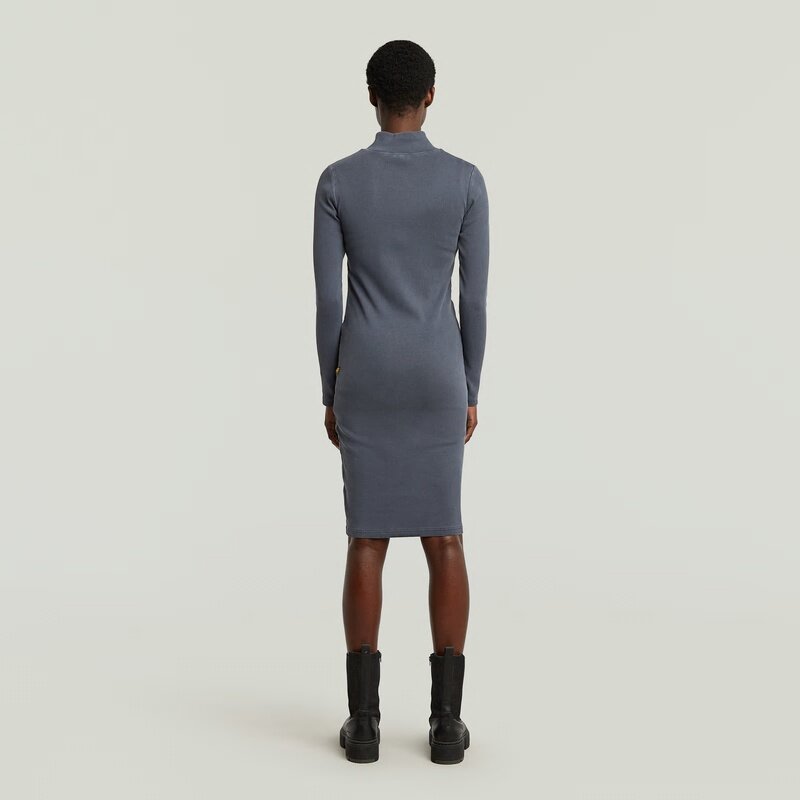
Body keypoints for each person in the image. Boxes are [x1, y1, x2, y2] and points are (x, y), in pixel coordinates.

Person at [313, 40, 490, 765]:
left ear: (371, 96)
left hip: (367, 374)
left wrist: (331, 388)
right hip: (437, 375)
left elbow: (328, 302)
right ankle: (446, 725)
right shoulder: (465, 181)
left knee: (367, 539)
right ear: (431, 95)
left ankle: (363, 726)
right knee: (444, 537)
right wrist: (470, 386)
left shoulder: (337, 182)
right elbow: (473, 299)